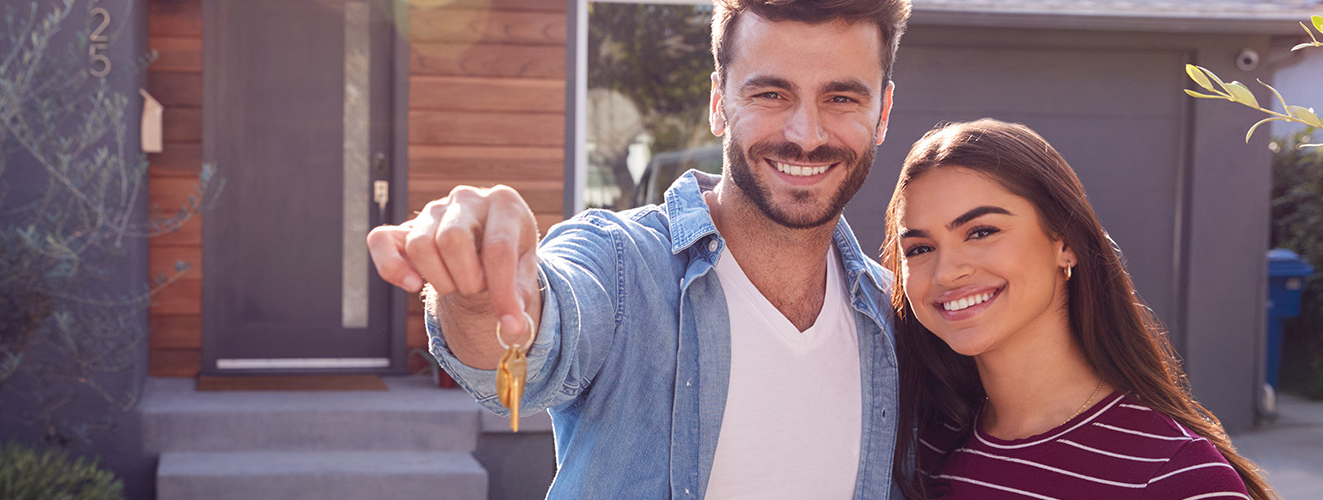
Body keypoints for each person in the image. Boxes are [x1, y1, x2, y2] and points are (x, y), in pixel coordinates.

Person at [367, 0, 911, 497]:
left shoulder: (898, 316)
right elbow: (536, 341)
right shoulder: (620, 262)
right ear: (719, 102)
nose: (806, 134)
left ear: (882, 113)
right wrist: (482, 293)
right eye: (771, 93)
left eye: (841, 97)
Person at [883, 119, 1276, 499]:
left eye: (982, 232)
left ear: (1065, 242)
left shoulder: (1175, 476)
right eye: (920, 249)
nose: (947, 272)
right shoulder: (919, 455)